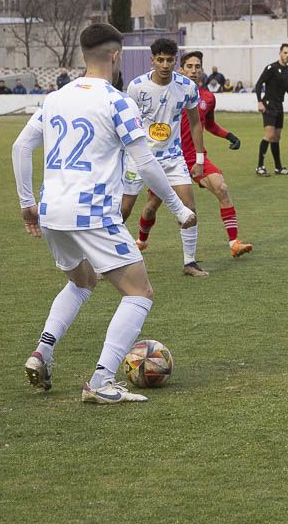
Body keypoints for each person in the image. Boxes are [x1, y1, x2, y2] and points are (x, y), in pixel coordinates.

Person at [12, 22, 196, 404]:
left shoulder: (56, 97)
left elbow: (20, 147)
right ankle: (100, 381)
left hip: (51, 211)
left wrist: (26, 202)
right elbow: (145, 163)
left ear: (83, 55)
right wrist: (178, 208)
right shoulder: (117, 101)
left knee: (82, 282)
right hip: (92, 211)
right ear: (116, 57)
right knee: (139, 292)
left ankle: (41, 352)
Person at [135, 51, 252, 260]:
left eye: (197, 66)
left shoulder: (207, 97)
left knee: (222, 188)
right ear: (181, 69)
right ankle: (142, 240)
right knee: (152, 206)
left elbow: (210, 125)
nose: (194, 70)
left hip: (195, 157)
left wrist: (229, 136)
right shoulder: (169, 93)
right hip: (168, 157)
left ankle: (234, 243)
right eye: (189, 66)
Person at [121, 38, 208, 277]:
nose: (165, 64)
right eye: (160, 60)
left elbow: (195, 123)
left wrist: (199, 160)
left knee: (189, 208)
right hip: (139, 157)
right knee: (123, 210)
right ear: (152, 60)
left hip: (172, 158)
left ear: (175, 61)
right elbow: (127, 123)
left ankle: (189, 262)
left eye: (170, 60)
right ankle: (104, 261)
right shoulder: (137, 87)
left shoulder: (187, 87)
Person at [253, 42, 288, 176]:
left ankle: (278, 167)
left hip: (279, 105)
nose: (287, 55)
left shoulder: (287, 70)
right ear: (280, 53)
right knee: (269, 135)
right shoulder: (271, 68)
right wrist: (259, 102)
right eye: (285, 53)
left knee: (276, 137)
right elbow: (259, 84)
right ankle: (260, 166)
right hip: (268, 104)